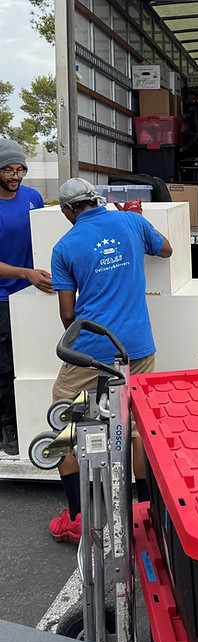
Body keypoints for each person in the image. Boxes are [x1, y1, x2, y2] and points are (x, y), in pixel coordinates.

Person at [49, 178, 172, 544]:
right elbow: (165, 250)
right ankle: (147, 515)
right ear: (96, 200)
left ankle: (76, 518)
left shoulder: (65, 246)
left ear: (70, 209)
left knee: (63, 423)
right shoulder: (130, 221)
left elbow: (69, 315)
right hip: (137, 345)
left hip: (91, 350)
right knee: (137, 427)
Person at [0, 139, 53, 455]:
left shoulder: (33, 198)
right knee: (6, 366)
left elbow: (46, 236)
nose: (14, 175)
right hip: (4, 298)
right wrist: (26, 274)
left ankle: (32, 419)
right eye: (8, 169)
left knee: (34, 362)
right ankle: (9, 427)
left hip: (34, 294)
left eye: (19, 169)